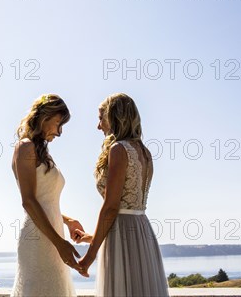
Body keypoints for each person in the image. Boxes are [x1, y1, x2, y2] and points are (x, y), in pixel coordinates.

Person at [74, 93, 170, 296]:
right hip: (142, 232)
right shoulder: (145, 152)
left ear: (115, 117)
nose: (98, 126)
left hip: (121, 237)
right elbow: (130, 206)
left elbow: (111, 207)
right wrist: (91, 237)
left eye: (101, 118)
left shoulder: (119, 149)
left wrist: (88, 258)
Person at [10, 93, 82, 297]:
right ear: (45, 117)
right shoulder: (25, 147)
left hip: (54, 235)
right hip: (38, 239)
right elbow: (29, 201)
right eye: (58, 123)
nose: (59, 132)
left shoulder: (42, 152)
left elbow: (45, 200)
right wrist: (60, 244)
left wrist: (67, 221)